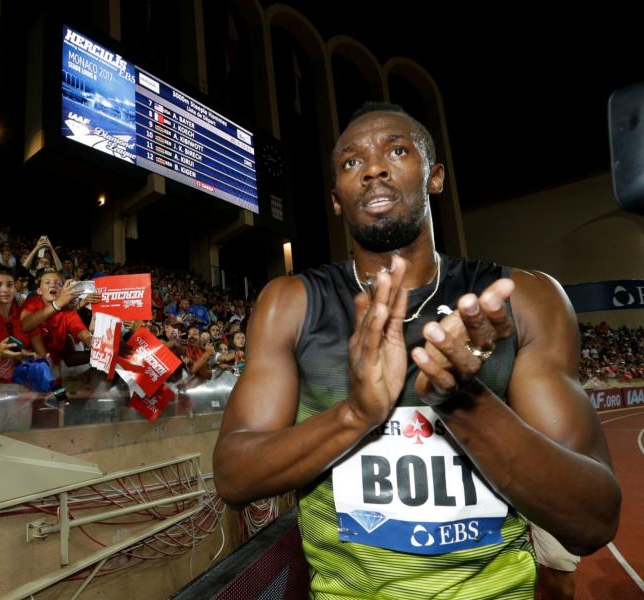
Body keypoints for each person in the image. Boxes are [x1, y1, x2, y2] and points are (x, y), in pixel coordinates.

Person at [212, 103, 620, 599]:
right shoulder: (290, 304)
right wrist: (357, 413)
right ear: (336, 200)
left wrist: (461, 402)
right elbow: (233, 476)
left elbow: (594, 519)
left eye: (397, 151)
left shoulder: (524, 299)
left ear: (436, 177)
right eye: (350, 162)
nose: (374, 168)